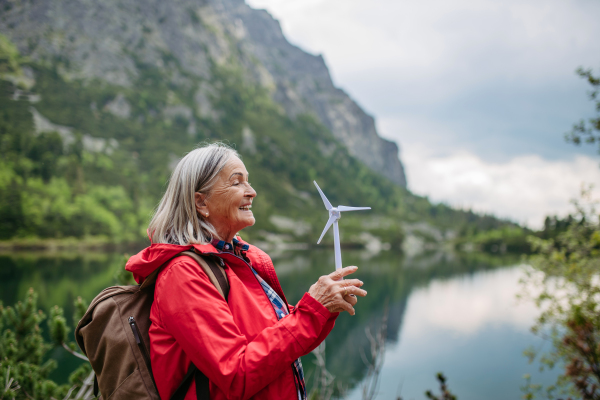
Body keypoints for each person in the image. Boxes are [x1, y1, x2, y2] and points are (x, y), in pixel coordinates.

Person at [125, 143, 367, 400]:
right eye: (237, 182)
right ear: (201, 202)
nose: (251, 192)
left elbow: (282, 343)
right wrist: (311, 311)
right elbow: (236, 373)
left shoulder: (243, 259)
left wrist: (323, 310)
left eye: (248, 182)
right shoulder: (182, 275)